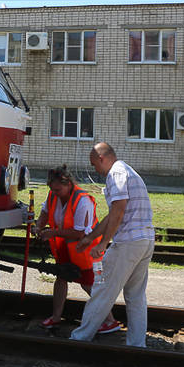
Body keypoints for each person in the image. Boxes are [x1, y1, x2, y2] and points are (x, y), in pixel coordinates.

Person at [70, 142, 155, 347]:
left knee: (102, 290)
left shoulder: (115, 174)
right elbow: (112, 215)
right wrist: (91, 238)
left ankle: (80, 339)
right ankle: (136, 344)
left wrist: (103, 244)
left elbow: (118, 210)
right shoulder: (128, 171)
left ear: (101, 158)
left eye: (94, 164)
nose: (94, 170)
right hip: (145, 240)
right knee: (135, 296)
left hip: (127, 242)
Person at [35, 165, 118, 333]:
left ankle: (111, 321)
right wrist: (38, 226)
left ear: (68, 184)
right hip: (67, 247)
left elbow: (79, 233)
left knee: (91, 285)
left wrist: (52, 232)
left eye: (58, 189)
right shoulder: (53, 194)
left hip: (89, 250)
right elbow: (45, 212)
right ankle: (56, 317)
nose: (55, 193)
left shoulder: (82, 200)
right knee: (61, 278)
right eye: (52, 189)